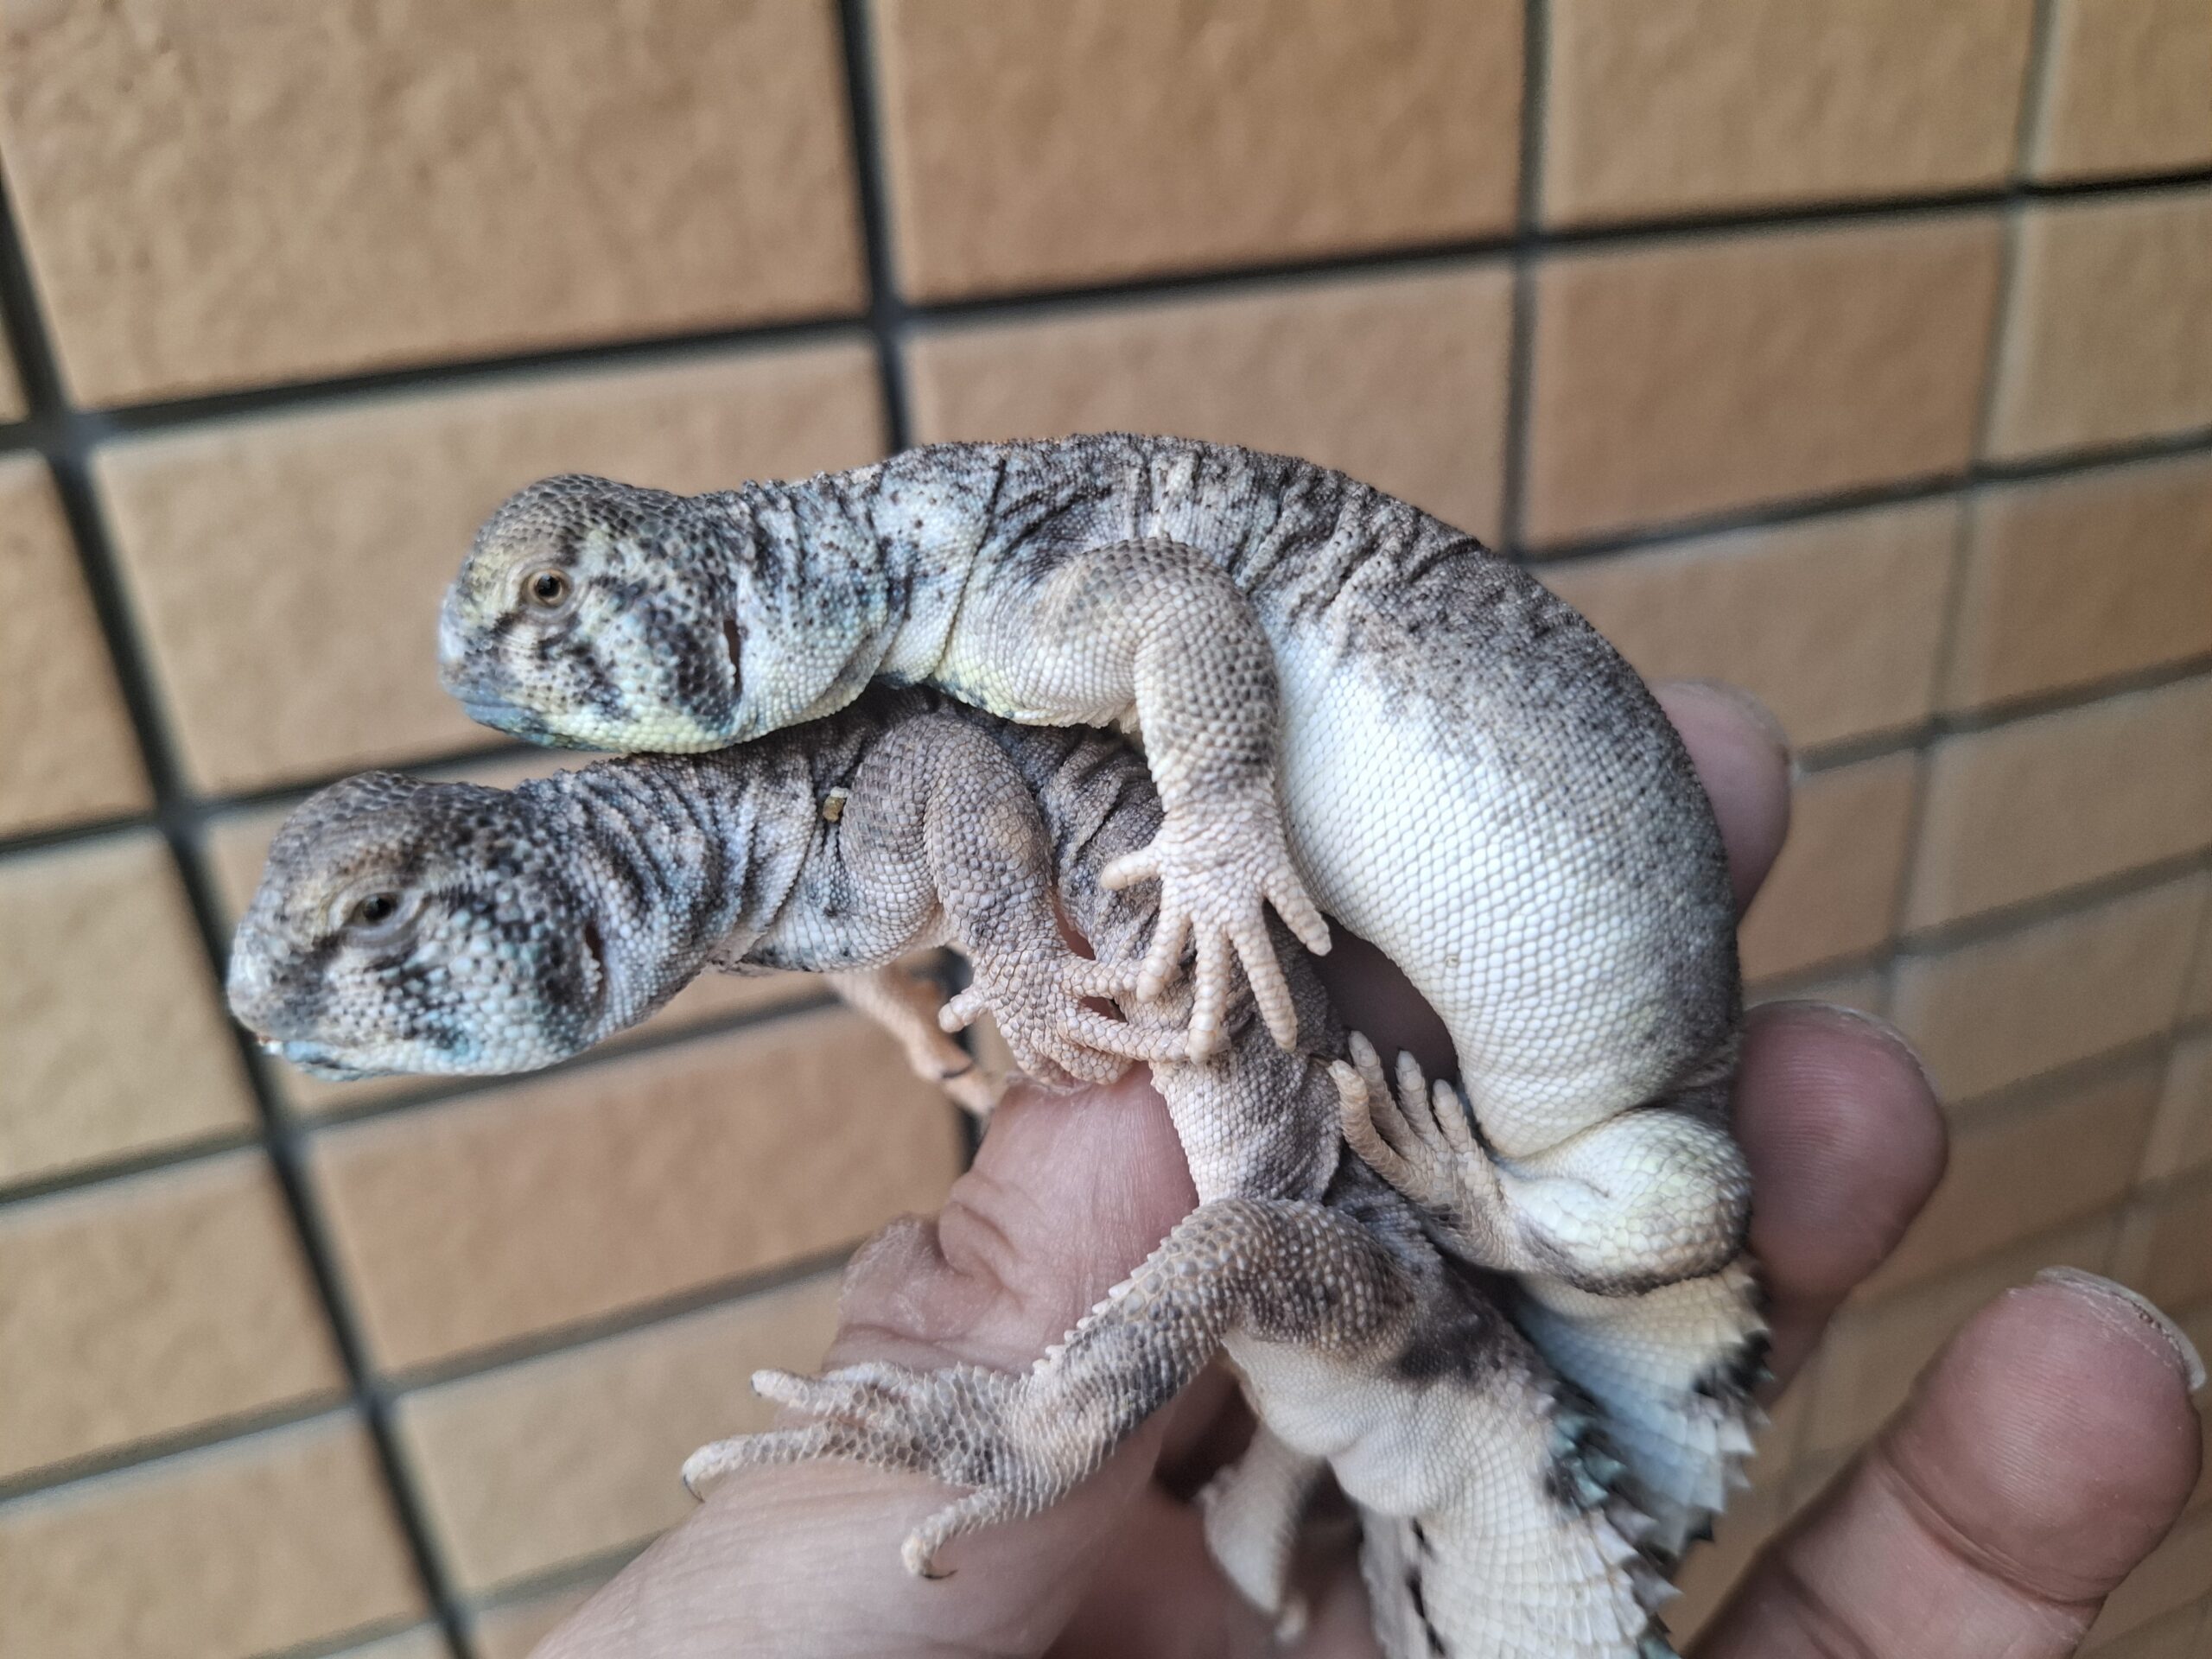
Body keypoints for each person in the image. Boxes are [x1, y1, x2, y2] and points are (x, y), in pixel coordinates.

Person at [536, 683, 2205, 1659]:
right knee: (1257, 1291)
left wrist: (1025, 1428)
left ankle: (1053, 1436)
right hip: (1413, 1448)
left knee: (1248, 1256)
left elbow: (1252, 1259)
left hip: (1455, 1411)